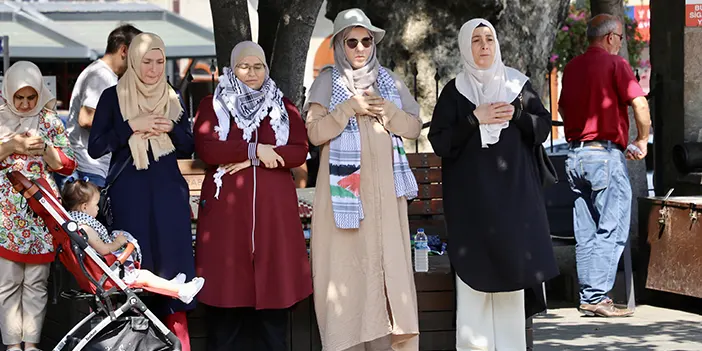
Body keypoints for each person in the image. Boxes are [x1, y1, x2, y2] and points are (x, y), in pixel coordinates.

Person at [428, 19, 559, 350]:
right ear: (465, 47)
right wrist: (475, 119)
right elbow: (440, 141)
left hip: (514, 203)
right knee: (474, 287)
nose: (484, 45)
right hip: (471, 206)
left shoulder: (517, 84)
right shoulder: (455, 91)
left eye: (489, 39)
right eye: (476, 40)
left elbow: (543, 128)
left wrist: (516, 114)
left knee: (511, 283)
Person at [305, 8, 422, 351]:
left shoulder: (388, 79)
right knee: (347, 275)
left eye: (366, 41)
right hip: (345, 204)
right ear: (340, 44)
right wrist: (347, 108)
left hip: (387, 200)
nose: (360, 48)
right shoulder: (327, 81)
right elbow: (314, 133)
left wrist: (389, 111)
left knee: (388, 274)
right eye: (351, 41)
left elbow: (413, 126)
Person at [193, 41, 312, 351]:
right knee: (227, 304)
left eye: (258, 66)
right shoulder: (213, 105)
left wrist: (252, 158)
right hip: (228, 222)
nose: (251, 73)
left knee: (273, 305)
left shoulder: (284, 107)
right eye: (244, 66)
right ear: (233, 69)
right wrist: (253, 148)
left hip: (273, 219)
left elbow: (299, 150)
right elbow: (207, 147)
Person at [87, 33, 196, 350]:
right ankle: (135, 342)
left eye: (160, 61)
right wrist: (132, 125)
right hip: (130, 199)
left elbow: (188, 145)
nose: (153, 69)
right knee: (135, 273)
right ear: (132, 60)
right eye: (147, 61)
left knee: (174, 274)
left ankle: (178, 344)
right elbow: (96, 147)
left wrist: (170, 129)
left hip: (168, 198)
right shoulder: (112, 97)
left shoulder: (171, 96)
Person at [559, 14, 651, 317]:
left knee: (585, 232)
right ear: (611, 37)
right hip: (604, 156)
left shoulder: (571, 69)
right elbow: (639, 103)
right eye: (621, 39)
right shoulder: (616, 65)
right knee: (612, 227)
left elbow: (564, 108)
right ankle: (597, 297)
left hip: (574, 157)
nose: (620, 45)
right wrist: (642, 140)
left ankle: (589, 297)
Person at [0, 61, 76, 351]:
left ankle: (30, 344)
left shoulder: (50, 121)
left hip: (40, 210)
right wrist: (11, 146)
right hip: (6, 213)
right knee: (7, 283)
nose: (24, 103)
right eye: (19, 97)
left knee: (36, 283)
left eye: (31, 97)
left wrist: (45, 149)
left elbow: (68, 165)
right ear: (8, 92)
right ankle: (11, 345)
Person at [60, 179, 204, 303]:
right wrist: (118, 242)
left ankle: (172, 287)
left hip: (100, 273)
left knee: (145, 276)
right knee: (144, 275)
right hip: (107, 276)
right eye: (96, 205)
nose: (98, 209)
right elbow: (103, 249)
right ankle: (181, 291)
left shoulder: (73, 224)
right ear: (85, 207)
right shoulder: (85, 227)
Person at [58, 24, 142, 188]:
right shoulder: (101, 76)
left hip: (92, 168)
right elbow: (86, 118)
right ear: (124, 51)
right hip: (89, 169)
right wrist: (128, 125)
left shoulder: (103, 74)